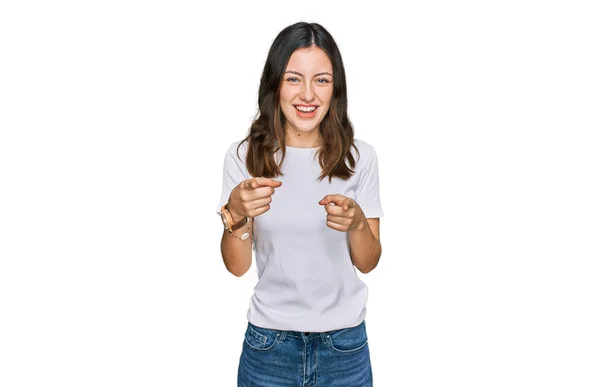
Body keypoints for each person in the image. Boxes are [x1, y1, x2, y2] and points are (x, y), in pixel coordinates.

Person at [216, 21, 384, 386]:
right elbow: (237, 267)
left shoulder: (360, 158)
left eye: (321, 80)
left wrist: (356, 224)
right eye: (294, 79)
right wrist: (237, 213)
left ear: (335, 88)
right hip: (268, 349)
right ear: (275, 84)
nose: (307, 94)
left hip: (345, 348)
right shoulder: (244, 157)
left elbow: (368, 262)